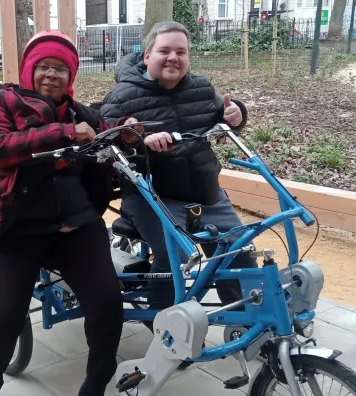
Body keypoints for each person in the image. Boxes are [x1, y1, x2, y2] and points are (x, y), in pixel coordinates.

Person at [0, 30, 134, 396]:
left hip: (74, 226)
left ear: (71, 76)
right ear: (28, 70)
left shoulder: (79, 112)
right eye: (43, 66)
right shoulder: (1, 102)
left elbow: (106, 128)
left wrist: (129, 128)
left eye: (60, 68)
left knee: (108, 302)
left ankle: (99, 375)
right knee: (4, 313)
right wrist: (62, 133)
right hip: (12, 228)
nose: (51, 75)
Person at [99, 21, 258, 338]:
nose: (173, 57)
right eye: (165, 51)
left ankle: (246, 319)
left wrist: (237, 113)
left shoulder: (200, 88)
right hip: (151, 194)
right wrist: (135, 135)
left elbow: (225, 117)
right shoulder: (123, 95)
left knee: (237, 248)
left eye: (180, 52)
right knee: (178, 254)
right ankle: (165, 326)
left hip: (205, 193)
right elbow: (107, 134)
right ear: (147, 56)